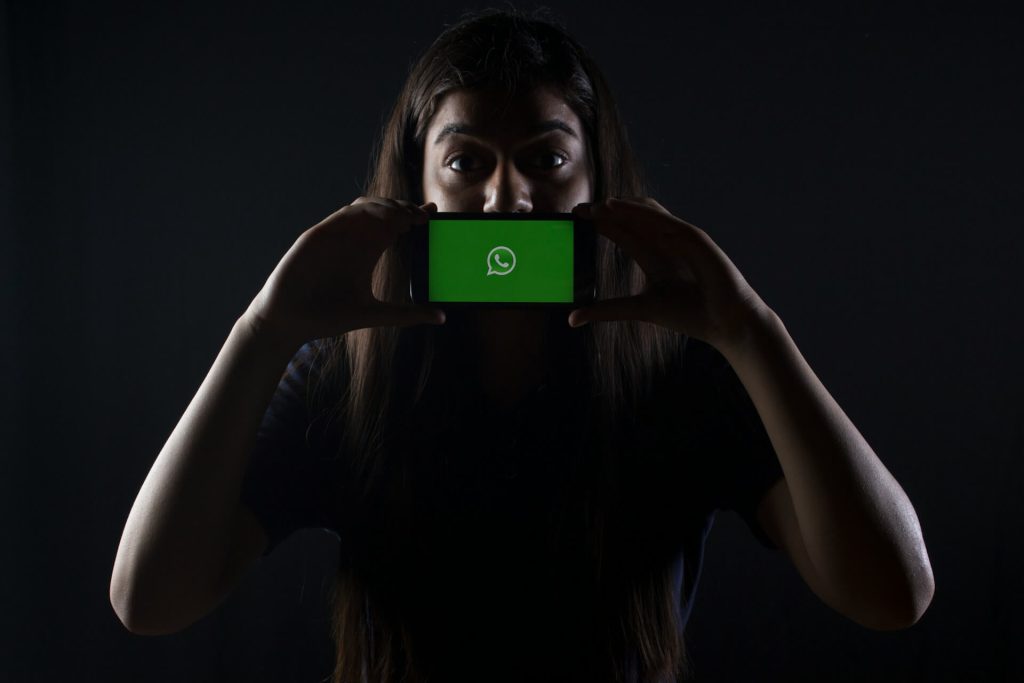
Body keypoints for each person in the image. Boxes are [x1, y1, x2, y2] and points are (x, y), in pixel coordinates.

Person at [110, 7, 935, 683]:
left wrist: (753, 331)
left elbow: (895, 592)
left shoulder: (679, 372)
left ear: (596, 179)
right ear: (416, 186)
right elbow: (146, 599)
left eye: (547, 158)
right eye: (466, 162)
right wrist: (261, 334)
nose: (508, 198)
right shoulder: (346, 378)